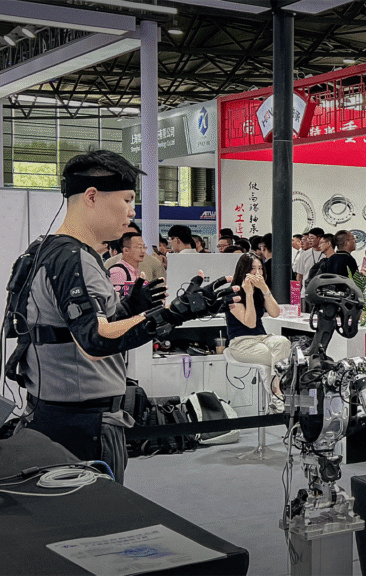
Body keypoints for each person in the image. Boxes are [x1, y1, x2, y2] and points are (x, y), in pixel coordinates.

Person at [11, 150, 184, 484]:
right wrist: (172, 314)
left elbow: (74, 327)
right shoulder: (73, 258)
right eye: (127, 199)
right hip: (82, 427)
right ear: (91, 196)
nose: (132, 212)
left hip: (55, 414)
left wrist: (132, 309)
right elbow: (94, 338)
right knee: (92, 524)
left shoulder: (45, 250)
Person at [225, 253, 288, 413]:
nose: (257, 272)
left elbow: (275, 313)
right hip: (241, 343)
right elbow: (250, 322)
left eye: (260, 268)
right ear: (243, 270)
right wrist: (249, 294)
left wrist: (265, 289)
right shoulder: (233, 294)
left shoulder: (260, 290)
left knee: (283, 343)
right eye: (253, 269)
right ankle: (278, 393)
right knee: (282, 360)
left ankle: (276, 390)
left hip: (262, 338)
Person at [109, 231, 146, 297]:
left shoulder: (134, 271)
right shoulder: (118, 272)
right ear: (126, 250)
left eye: (144, 247)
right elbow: (117, 303)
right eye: (139, 247)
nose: (143, 251)